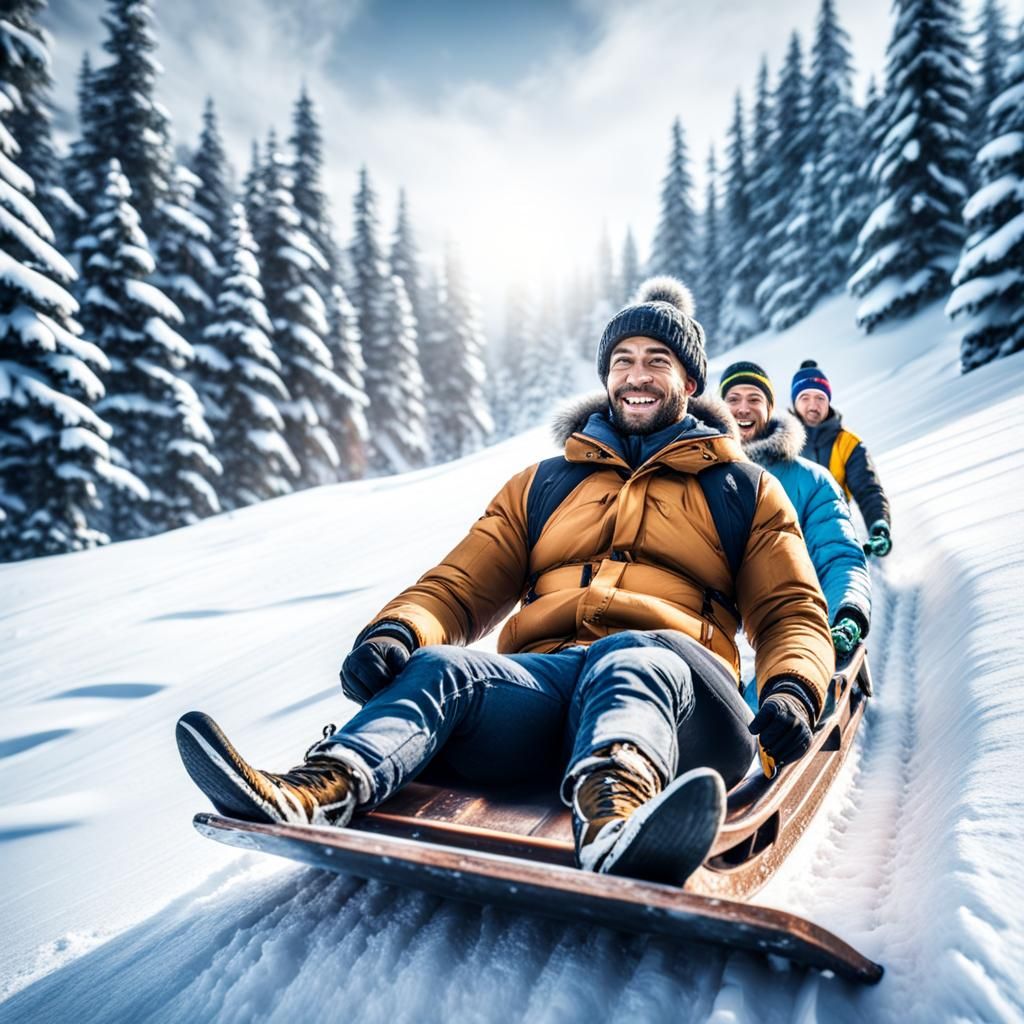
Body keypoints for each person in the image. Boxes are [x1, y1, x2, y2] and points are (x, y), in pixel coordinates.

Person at [176, 278, 834, 887]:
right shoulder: (545, 484)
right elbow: (462, 582)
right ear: (607, 379)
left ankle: (621, 819)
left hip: (684, 704)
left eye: (657, 361)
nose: (637, 375)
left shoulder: (742, 488)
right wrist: (396, 631)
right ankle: (320, 788)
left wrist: (795, 687)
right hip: (547, 692)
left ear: (689, 381)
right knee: (443, 668)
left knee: (631, 654)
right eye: (622, 361)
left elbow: (791, 609)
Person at [720, 361, 870, 659]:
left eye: (754, 399)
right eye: (733, 399)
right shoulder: (696, 472)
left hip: (787, 625)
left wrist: (846, 609)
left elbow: (838, 555)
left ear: (770, 407)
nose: (743, 408)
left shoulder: (811, 480)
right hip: (713, 632)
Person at [791, 360, 892, 557]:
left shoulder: (848, 444)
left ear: (829, 401)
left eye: (820, 398)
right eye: (805, 397)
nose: (813, 405)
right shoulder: (778, 439)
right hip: (787, 533)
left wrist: (879, 525)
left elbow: (868, 489)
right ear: (794, 402)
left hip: (833, 528)